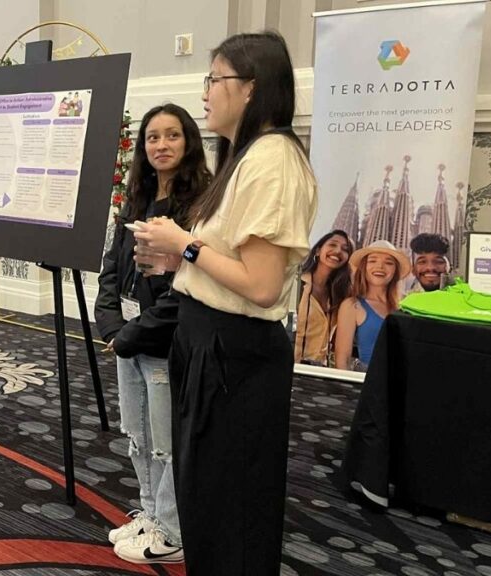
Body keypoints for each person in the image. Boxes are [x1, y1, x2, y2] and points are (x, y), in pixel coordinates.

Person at [134, 31, 318, 574]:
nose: (207, 92)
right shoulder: (246, 157)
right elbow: (230, 261)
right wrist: (178, 260)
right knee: (206, 500)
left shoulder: (272, 161)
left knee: (229, 504)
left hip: (232, 354)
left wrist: (183, 244)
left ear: (252, 88)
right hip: (207, 341)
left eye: (216, 79)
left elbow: (260, 285)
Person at [95, 103, 210, 565]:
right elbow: (112, 268)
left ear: (188, 143)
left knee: (166, 441)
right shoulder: (137, 198)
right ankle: (150, 512)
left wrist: (133, 334)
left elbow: (185, 290)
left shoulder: (200, 205)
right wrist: (111, 325)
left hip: (163, 345)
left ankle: (174, 529)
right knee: (138, 435)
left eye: (172, 136)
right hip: (127, 339)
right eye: (152, 137)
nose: (161, 145)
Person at [334, 240, 409, 371]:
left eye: (388, 263)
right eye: (372, 261)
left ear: (395, 270)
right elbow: (342, 359)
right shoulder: (352, 305)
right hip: (367, 381)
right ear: (364, 267)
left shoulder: (406, 306)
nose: (380, 267)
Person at [295, 230, 354, 365]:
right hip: (289, 367)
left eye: (345, 250)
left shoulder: (340, 295)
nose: (338, 251)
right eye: (332, 245)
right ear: (317, 251)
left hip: (319, 372)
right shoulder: (296, 284)